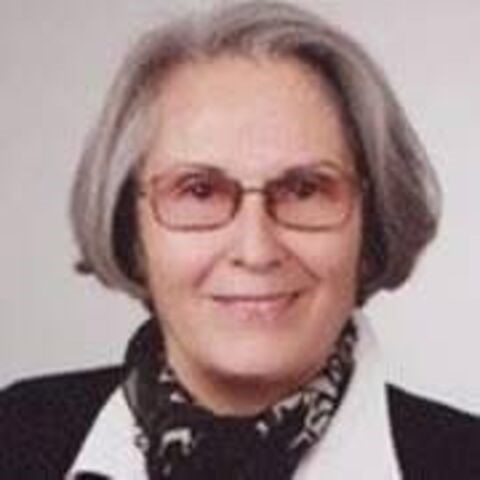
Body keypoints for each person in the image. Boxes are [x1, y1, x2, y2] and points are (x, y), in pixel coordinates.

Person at [1, 1, 479, 478]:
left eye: (304, 190)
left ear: (371, 227)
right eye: (199, 190)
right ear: (131, 229)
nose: (256, 251)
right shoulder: (15, 437)